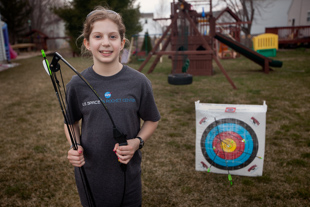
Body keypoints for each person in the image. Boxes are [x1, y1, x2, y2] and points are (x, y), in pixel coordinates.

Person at [64, 6, 160, 207]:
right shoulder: (77, 84)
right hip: (90, 173)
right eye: (98, 36)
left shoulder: (139, 82)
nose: (105, 43)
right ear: (87, 43)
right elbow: (70, 121)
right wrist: (75, 146)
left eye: (113, 37)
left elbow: (152, 119)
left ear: (122, 43)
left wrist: (137, 142)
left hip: (128, 174)